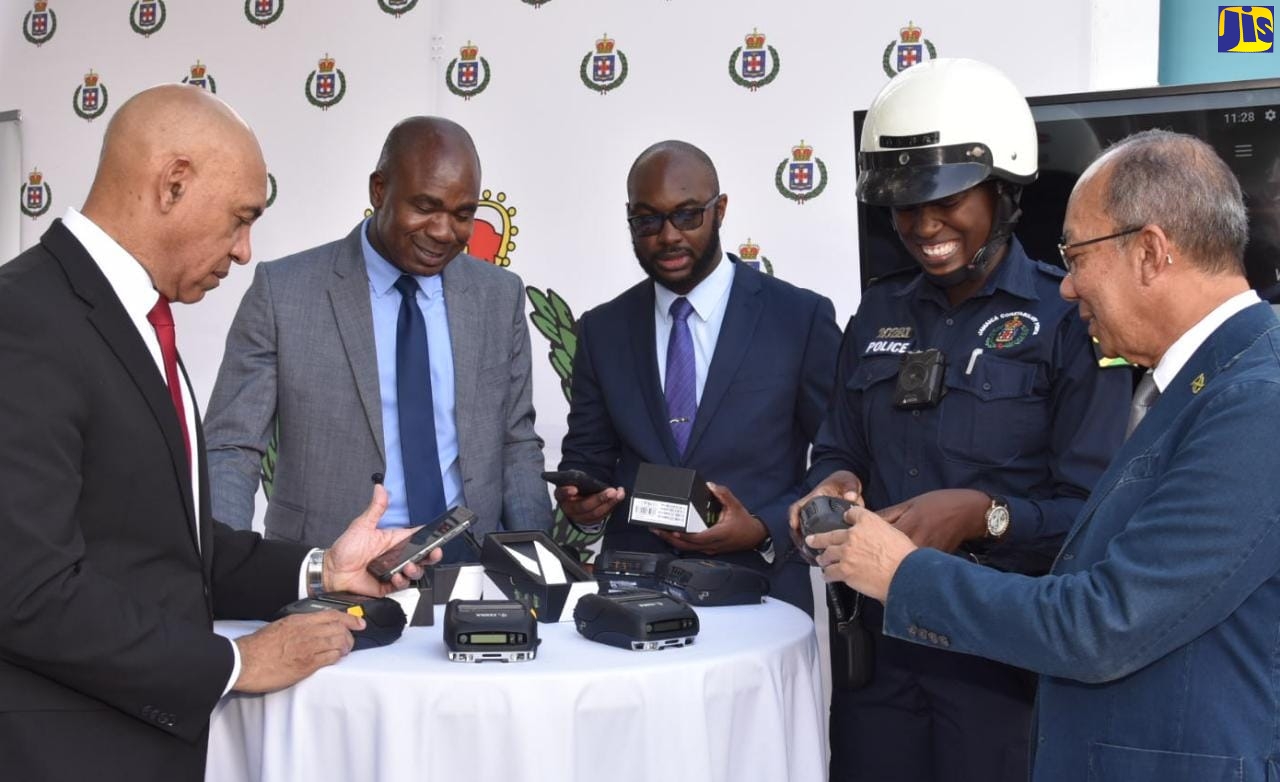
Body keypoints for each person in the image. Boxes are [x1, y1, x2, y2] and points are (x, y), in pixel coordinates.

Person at [809, 128, 1280, 782]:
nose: (1067, 285)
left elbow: (1101, 622)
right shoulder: (1199, 384)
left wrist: (904, 572)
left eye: (1078, 254)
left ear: (1149, 253)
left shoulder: (1257, 401)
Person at [0, 85, 437, 781]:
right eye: (239, 219)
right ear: (173, 184)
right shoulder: (21, 319)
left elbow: (168, 548)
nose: (243, 252)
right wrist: (238, 661)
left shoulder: (134, 319)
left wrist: (323, 570)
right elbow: (27, 590)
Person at [789, 59, 1131, 781]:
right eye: (903, 205)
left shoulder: (1070, 318)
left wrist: (985, 516)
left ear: (1003, 192)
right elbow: (836, 445)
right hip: (879, 662)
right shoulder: (879, 310)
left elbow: (1095, 518)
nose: (923, 224)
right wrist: (836, 485)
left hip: (1002, 671)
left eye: (946, 199)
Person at [204, 116, 552, 559]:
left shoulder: (498, 296)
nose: (444, 231)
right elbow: (231, 448)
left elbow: (515, 443)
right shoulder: (283, 293)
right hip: (327, 567)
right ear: (378, 190)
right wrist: (221, 570)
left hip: (469, 565)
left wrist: (538, 562)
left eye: (463, 214)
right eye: (425, 207)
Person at [556, 140, 842, 612]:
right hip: (633, 594)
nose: (668, 236)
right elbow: (588, 456)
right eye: (647, 221)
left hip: (760, 588)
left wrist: (763, 525)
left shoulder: (799, 318)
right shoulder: (601, 329)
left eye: (687, 215)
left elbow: (838, 455)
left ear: (720, 210)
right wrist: (582, 503)